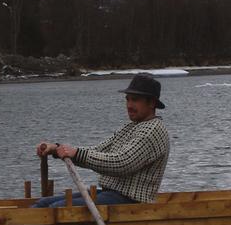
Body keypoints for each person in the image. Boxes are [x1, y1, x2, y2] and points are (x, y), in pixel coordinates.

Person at [33, 73, 170, 207]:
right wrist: (57, 149)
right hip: (111, 195)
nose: (129, 105)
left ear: (151, 103)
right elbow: (98, 151)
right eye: (127, 99)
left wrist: (76, 153)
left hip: (131, 201)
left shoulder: (152, 130)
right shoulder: (131, 126)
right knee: (43, 204)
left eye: (135, 100)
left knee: (56, 208)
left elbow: (122, 163)